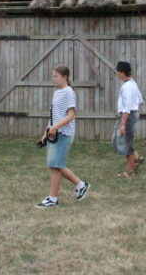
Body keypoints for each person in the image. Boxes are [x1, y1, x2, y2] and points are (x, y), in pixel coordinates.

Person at [35, 66, 90, 208]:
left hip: (63, 134)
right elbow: (54, 116)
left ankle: (52, 199)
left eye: (56, 76)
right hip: (54, 133)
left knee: (55, 166)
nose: (53, 79)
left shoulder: (69, 92)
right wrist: (46, 132)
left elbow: (71, 115)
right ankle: (81, 185)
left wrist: (55, 128)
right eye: (52, 76)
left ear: (65, 77)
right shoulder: (57, 93)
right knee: (56, 164)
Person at [112, 61, 144, 177]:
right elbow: (140, 101)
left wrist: (123, 124)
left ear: (122, 72)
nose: (116, 73)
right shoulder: (132, 83)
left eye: (117, 71)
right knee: (117, 140)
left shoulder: (128, 87)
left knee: (125, 143)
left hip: (127, 116)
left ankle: (130, 171)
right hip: (129, 115)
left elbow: (127, 107)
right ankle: (137, 158)